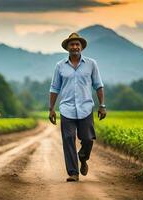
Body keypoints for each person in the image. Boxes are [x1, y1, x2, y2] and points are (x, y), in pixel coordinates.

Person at [49, 32, 106, 182]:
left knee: (88, 139)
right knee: (68, 139)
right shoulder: (60, 66)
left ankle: (83, 157)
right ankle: (73, 173)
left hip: (86, 108)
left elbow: (98, 86)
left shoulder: (91, 64)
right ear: (67, 48)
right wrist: (51, 109)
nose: (75, 47)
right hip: (67, 109)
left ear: (81, 47)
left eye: (77, 44)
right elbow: (54, 88)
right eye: (72, 44)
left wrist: (102, 105)